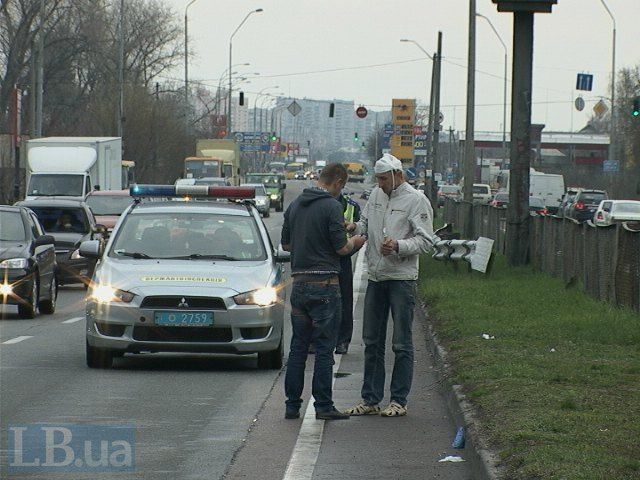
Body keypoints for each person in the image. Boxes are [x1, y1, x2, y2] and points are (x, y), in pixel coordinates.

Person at [344, 154, 433, 417]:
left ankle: (399, 400)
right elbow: (366, 224)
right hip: (376, 276)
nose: (380, 183)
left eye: (383, 178)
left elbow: (426, 241)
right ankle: (370, 399)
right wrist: (353, 227)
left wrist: (398, 246)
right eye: (378, 179)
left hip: (401, 279)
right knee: (371, 340)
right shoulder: (375, 195)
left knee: (401, 343)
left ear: (398, 175)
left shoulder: (416, 200)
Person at [281, 163, 366, 421]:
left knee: (298, 347)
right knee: (325, 348)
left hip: (299, 284)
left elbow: (286, 244)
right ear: (338, 181)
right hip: (325, 286)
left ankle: (292, 405)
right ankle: (323, 406)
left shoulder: (295, 205)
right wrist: (356, 242)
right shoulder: (331, 206)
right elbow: (341, 248)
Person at [334, 190, 362, 355]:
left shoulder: (352, 206)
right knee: (319, 301)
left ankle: (342, 341)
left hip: (343, 259)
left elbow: (362, 233)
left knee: (344, 301)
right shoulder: (318, 205)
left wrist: (349, 249)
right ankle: (315, 341)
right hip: (322, 258)